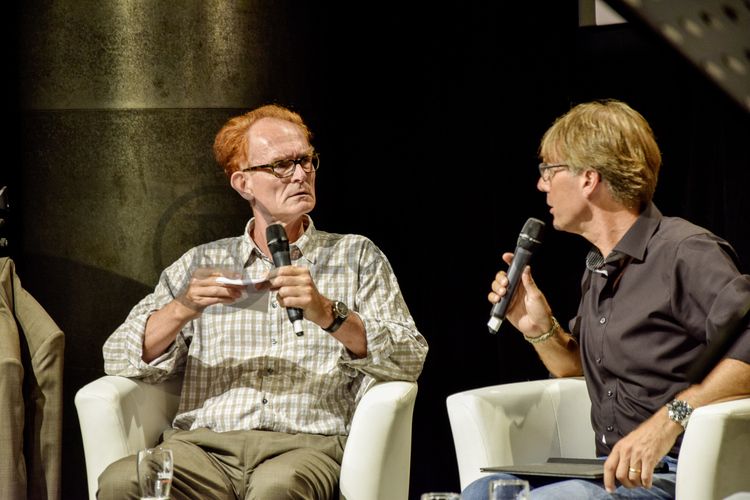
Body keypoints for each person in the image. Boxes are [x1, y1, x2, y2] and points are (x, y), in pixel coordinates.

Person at [98, 104, 428, 499]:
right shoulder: (202, 262)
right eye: (280, 165)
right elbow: (117, 356)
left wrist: (330, 314)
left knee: (277, 488)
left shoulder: (356, 256)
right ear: (243, 184)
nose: (301, 174)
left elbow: (411, 356)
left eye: (306, 160)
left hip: (305, 446)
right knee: (122, 481)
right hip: (203, 450)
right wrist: (182, 308)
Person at [463, 99, 750, 499]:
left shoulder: (685, 252)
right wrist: (539, 329)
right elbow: (579, 369)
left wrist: (671, 417)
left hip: (683, 472)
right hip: (610, 470)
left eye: (549, 170)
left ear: (589, 179)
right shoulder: (599, 269)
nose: (541, 184)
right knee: (481, 491)